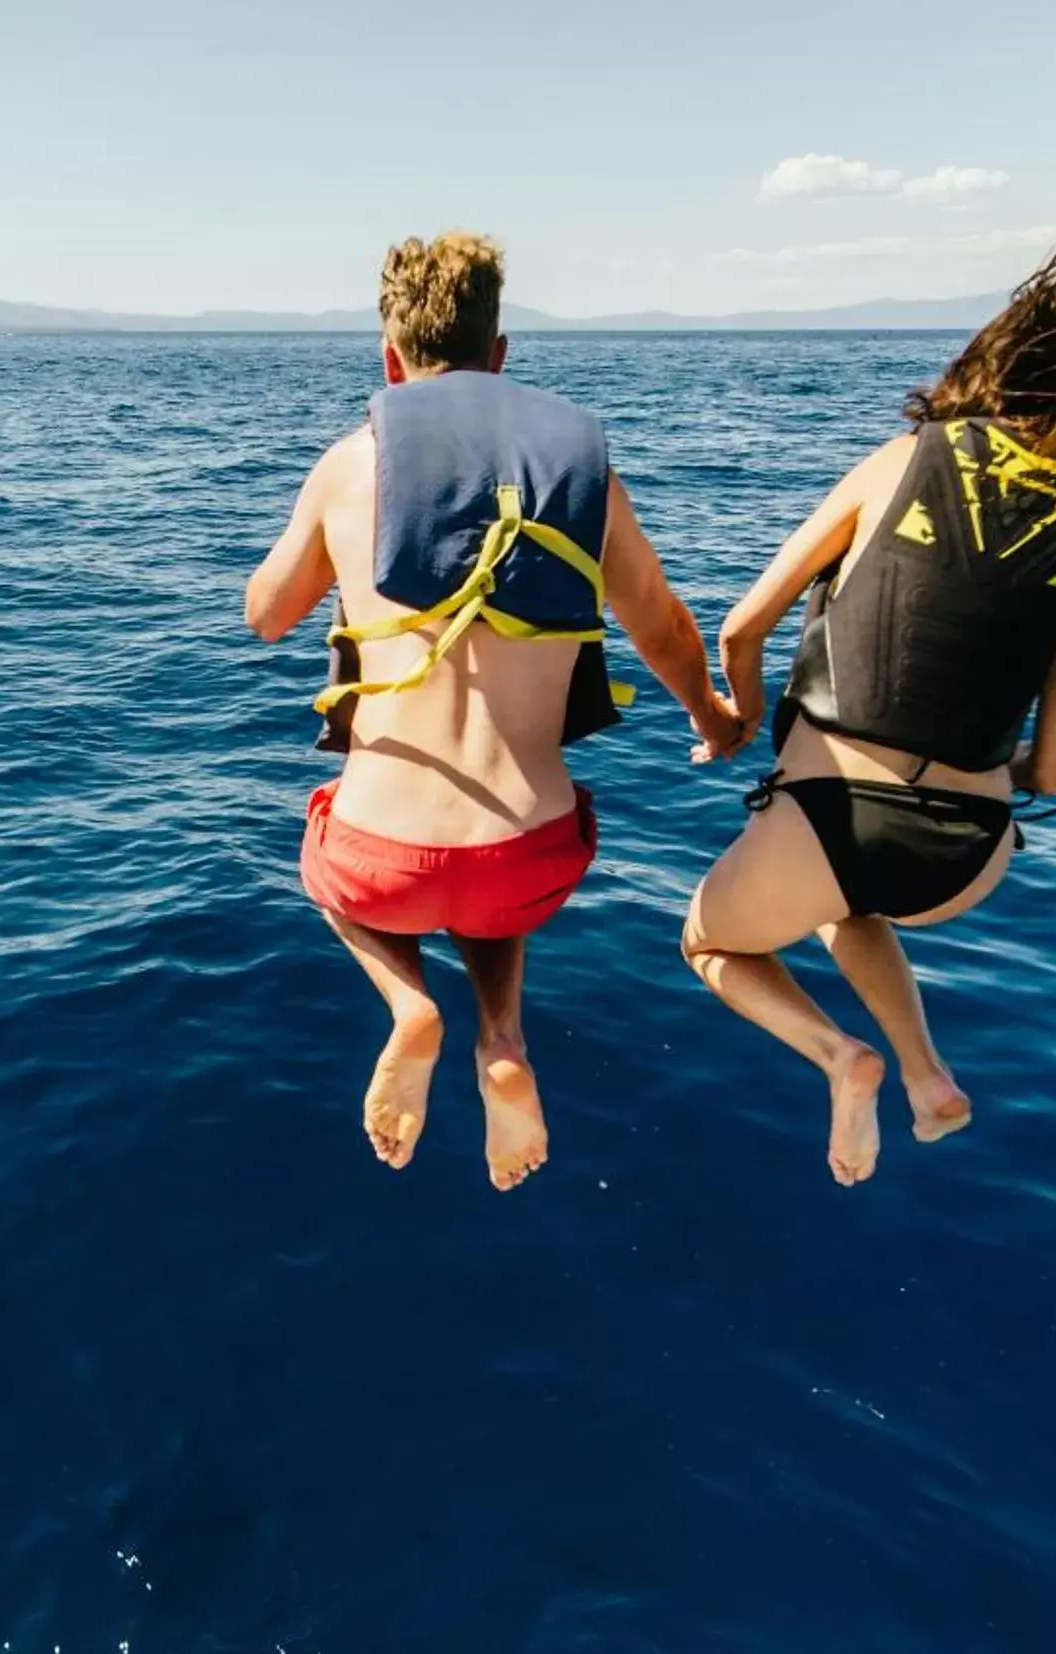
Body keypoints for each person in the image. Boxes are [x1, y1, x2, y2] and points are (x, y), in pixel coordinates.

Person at [681, 194, 1056, 1186]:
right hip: (968, 858)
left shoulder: (903, 462)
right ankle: (923, 1073)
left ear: (986, 372)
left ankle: (841, 1055)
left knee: (707, 943)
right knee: (848, 909)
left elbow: (742, 626)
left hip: (828, 812)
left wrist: (736, 718)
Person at [246, 233, 749, 1189]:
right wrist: (714, 719)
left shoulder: (350, 465)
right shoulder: (583, 475)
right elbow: (666, 629)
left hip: (377, 861)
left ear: (390, 358)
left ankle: (408, 1011)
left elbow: (266, 617)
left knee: (328, 855)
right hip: (533, 861)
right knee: (494, 870)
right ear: (500, 351)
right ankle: (502, 1036)